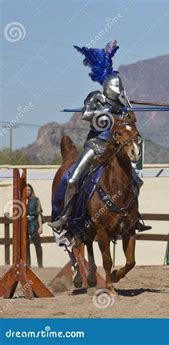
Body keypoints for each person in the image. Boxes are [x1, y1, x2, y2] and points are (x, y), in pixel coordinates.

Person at [48, 40, 150, 243]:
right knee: (74, 178)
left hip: (115, 149)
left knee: (136, 180)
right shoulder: (96, 98)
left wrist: (127, 111)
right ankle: (65, 217)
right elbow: (87, 115)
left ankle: (134, 217)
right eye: (115, 87)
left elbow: (132, 122)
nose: (118, 91)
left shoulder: (123, 104)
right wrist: (105, 112)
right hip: (95, 145)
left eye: (119, 87)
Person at [26, 184, 43, 268]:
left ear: (31, 191)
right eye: (26, 190)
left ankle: (40, 264)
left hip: (34, 224)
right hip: (25, 224)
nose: (27, 192)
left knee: (37, 244)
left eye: (29, 190)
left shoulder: (36, 200)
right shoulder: (21, 200)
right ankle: (28, 265)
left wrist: (40, 226)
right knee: (25, 245)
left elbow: (39, 214)